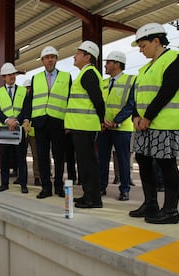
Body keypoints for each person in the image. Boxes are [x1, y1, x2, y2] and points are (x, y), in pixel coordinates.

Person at [129, 23, 179, 224]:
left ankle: (170, 210)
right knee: (143, 160)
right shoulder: (145, 68)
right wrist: (136, 116)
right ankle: (150, 203)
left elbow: (167, 91)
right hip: (145, 125)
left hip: (165, 124)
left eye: (143, 45)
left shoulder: (175, 59)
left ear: (156, 41)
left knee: (166, 165)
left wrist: (147, 117)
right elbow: (138, 96)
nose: (140, 49)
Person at [64, 40, 105, 208]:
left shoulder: (89, 74)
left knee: (88, 164)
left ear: (87, 57)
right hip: (80, 126)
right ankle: (88, 195)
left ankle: (93, 199)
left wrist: (101, 120)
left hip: (85, 126)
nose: (74, 56)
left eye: (78, 54)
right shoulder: (84, 74)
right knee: (84, 163)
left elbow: (98, 100)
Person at [29, 46, 72, 199]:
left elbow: (69, 100)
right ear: (42, 61)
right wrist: (28, 119)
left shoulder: (66, 77)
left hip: (58, 122)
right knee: (42, 156)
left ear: (56, 59)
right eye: (47, 57)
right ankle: (46, 187)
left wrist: (68, 122)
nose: (50, 60)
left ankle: (59, 186)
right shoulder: (36, 78)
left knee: (59, 156)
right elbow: (30, 100)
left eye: (52, 57)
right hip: (40, 122)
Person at [98, 51, 136, 201]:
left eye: (108, 62)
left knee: (123, 160)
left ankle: (124, 189)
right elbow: (99, 104)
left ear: (117, 64)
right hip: (104, 128)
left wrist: (116, 121)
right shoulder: (104, 83)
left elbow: (131, 104)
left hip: (122, 128)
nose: (105, 65)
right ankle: (101, 187)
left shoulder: (131, 80)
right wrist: (102, 120)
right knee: (103, 159)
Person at [0, 62, 30, 194]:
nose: (12, 76)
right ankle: (4, 183)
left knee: (21, 158)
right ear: (4, 77)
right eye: (9, 75)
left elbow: (26, 109)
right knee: (4, 159)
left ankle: (23, 184)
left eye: (13, 74)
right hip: (5, 129)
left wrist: (16, 121)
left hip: (18, 129)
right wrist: (7, 120)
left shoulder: (22, 90)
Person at [23, 79, 41, 186]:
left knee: (36, 156)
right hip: (24, 131)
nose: (28, 90)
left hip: (33, 132)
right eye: (26, 88)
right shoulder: (22, 99)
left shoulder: (36, 99)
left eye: (29, 88)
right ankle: (22, 176)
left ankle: (37, 177)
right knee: (21, 155)